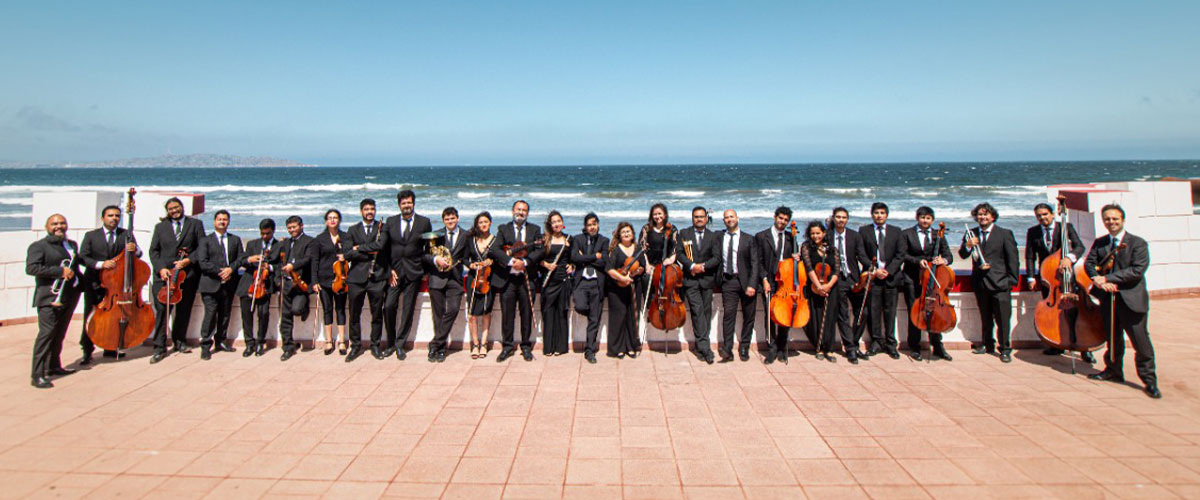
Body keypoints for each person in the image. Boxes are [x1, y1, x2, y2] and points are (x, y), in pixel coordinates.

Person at [1085, 204, 1160, 399]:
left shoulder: (1138, 243)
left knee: (1140, 341)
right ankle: (1113, 371)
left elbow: (1137, 270)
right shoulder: (1100, 243)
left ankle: (1149, 380)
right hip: (1108, 299)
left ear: (1123, 220)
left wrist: (1108, 279)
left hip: (1132, 300)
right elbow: (1089, 264)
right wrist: (1098, 281)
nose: (1111, 222)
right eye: (1107, 219)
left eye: (1115, 219)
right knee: (1112, 338)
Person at [360, 190, 431, 360]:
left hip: (414, 272)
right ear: (399, 205)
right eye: (404, 203)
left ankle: (400, 345)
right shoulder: (390, 222)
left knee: (407, 310)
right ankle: (390, 343)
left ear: (414, 203)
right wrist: (389, 269)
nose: (407, 206)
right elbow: (383, 248)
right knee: (389, 306)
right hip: (395, 273)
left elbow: (428, 248)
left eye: (409, 203)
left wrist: (426, 271)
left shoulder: (424, 222)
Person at [1025, 202, 1094, 363]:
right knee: (1054, 313)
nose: (1042, 218)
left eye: (1045, 214)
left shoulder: (1066, 227)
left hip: (1069, 277)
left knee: (1077, 312)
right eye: (1039, 216)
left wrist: (1069, 258)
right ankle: (1056, 344)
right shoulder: (1033, 232)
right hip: (1048, 279)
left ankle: (1084, 347)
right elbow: (1030, 256)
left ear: (1052, 214)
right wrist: (1030, 277)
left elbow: (1079, 247)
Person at [958, 202, 1020, 363]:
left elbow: (1013, 259)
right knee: (985, 317)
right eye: (979, 214)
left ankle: (1005, 349)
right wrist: (968, 245)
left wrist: (1011, 281)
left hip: (1000, 283)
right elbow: (962, 254)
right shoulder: (971, 233)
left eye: (985, 214)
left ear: (992, 217)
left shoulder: (1005, 233)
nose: (982, 217)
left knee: (1002, 319)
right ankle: (987, 344)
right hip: (980, 282)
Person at [27, 214, 83, 388]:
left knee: (60, 333)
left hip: (69, 295)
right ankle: (38, 374)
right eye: (55, 224)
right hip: (49, 296)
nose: (59, 226)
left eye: (62, 223)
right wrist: (59, 271)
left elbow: (76, 264)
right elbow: (32, 267)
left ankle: (53, 366)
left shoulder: (72, 244)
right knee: (46, 334)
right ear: (47, 227)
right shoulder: (38, 246)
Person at [78, 204, 139, 364]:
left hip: (116, 285)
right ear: (102, 218)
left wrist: (134, 249)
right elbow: (83, 257)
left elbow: (138, 254)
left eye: (117, 216)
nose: (114, 218)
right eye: (110, 215)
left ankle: (110, 348)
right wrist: (100, 264)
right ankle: (87, 350)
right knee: (91, 317)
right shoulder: (91, 236)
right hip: (95, 283)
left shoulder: (126, 234)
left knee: (114, 317)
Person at [149, 197, 206, 363]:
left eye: (177, 207)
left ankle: (179, 341)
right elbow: (154, 251)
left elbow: (201, 248)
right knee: (162, 311)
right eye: (171, 208)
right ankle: (159, 347)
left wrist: (189, 260)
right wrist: (161, 269)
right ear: (167, 211)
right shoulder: (160, 227)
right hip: (164, 277)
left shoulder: (195, 224)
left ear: (182, 207)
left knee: (183, 310)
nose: (175, 210)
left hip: (186, 276)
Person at [899, 207, 953, 361]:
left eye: (928, 218)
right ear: (917, 218)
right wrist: (917, 261)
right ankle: (914, 347)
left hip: (932, 280)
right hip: (912, 279)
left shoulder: (938, 235)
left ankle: (937, 346)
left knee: (934, 311)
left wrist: (943, 260)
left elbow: (949, 255)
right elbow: (902, 254)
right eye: (922, 217)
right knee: (915, 312)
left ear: (932, 220)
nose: (925, 221)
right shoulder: (907, 233)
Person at [490, 200, 542, 362]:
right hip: (508, 279)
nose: (521, 212)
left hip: (527, 278)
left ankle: (526, 346)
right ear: (512, 211)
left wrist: (525, 263)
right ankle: (507, 346)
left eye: (524, 210)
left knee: (526, 313)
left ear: (528, 213)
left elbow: (540, 251)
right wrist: (512, 262)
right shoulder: (503, 229)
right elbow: (495, 250)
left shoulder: (535, 230)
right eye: (518, 209)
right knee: (508, 314)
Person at [193, 210, 243, 360]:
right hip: (210, 284)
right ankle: (205, 346)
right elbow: (203, 262)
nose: (222, 222)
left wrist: (231, 269)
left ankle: (221, 341)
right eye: (219, 219)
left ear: (229, 222)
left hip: (229, 284)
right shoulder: (205, 241)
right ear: (214, 222)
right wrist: (221, 272)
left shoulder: (235, 240)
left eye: (225, 219)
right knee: (210, 314)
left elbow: (241, 258)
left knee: (225, 314)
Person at [859, 202, 906, 359]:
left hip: (891, 278)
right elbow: (861, 253)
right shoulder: (864, 231)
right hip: (873, 277)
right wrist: (874, 270)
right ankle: (876, 342)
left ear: (887, 215)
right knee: (874, 311)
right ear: (871, 214)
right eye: (876, 213)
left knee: (890, 312)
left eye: (882, 213)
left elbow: (901, 254)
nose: (879, 215)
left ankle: (891, 344)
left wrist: (889, 271)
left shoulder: (896, 231)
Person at [345, 199, 389, 361]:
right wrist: (368, 251)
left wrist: (359, 248)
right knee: (354, 314)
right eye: (366, 209)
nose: (369, 211)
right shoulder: (352, 229)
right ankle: (355, 346)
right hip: (356, 278)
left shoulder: (383, 227)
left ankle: (375, 345)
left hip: (377, 277)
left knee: (376, 314)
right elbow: (348, 254)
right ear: (361, 211)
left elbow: (381, 246)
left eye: (372, 209)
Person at [424, 207, 468, 362]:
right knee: (438, 314)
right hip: (437, 278)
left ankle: (434, 343)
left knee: (454, 309)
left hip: (455, 279)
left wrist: (471, 265)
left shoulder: (466, 234)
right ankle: (440, 349)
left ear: (457, 218)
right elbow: (425, 255)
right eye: (447, 219)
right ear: (443, 220)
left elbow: (467, 256)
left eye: (453, 218)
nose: (450, 221)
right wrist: (436, 260)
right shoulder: (436, 235)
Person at [714, 209, 759, 362]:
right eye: (726, 217)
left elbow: (755, 263)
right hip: (728, 281)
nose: (729, 219)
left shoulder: (749, 239)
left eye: (731, 217)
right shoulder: (719, 237)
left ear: (737, 218)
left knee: (749, 316)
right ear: (723, 220)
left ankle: (745, 346)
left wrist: (752, 284)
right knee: (728, 315)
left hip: (747, 282)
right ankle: (727, 349)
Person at [829, 207, 872, 363]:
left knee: (863, 311)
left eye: (844, 217)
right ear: (833, 218)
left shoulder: (855, 236)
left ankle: (853, 343)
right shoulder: (827, 236)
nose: (841, 220)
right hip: (836, 279)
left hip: (853, 278)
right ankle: (851, 349)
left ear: (847, 219)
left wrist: (871, 267)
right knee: (843, 315)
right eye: (838, 217)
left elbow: (862, 255)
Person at [677, 207, 719, 364]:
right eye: (696, 216)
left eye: (702, 216)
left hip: (707, 279)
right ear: (692, 218)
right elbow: (680, 253)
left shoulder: (713, 236)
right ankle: (705, 348)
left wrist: (702, 267)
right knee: (697, 310)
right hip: (691, 280)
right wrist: (691, 266)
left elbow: (717, 257)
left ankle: (700, 346)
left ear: (706, 218)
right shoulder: (684, 233)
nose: (699, 219)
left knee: (706, 313)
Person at [271, 215, 316, 361]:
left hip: (301, 283)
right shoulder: (285, 243)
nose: (292, 230)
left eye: (294, 227)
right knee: (285, 317)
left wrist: (293, 266)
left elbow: (308, 259)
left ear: (301, 226)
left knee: (296, 309)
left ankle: (305, 307)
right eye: (289, 228)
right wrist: (278, 279)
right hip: (286, 284)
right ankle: (288, 346)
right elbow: (277, 261)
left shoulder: (309, 241)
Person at [755, 206, 795, 364]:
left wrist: (796, 257)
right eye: (781, 218)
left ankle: (782, 346)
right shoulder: (761, 236)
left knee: (785, 315)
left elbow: (792, 262)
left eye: (786, 220)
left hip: (785, 283)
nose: (783, 222)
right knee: (770, 316)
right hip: (769, 281)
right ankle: (771, 348)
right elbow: (758, 261)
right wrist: (764, 279)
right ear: (774, 217)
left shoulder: (790, 238)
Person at [570, 213, 609, 364]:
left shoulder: (604, 241)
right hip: (581, 282)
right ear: (585, 227)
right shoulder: (577, 239)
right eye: (589, 225)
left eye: (594, 224)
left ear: (598, 225)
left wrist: (585, 258)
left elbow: (604, 261)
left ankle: (590, 350)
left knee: (595, 319)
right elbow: (574, 258)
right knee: (579, 306)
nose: (592, 227)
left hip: (597, 283)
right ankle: (591, 315)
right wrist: (594, 257)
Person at [236, 218, 277, 357]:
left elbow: (280, 266)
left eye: (268, 233)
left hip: (265, 285)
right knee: (247, 315)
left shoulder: (279, 245)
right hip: (249, 284)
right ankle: (249, 343)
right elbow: (241, 260)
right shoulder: (252, 244)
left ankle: (260, 342)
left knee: (263, 314)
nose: (265, 236)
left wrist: (270, 267)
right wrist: (250, 260)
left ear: (273, 231)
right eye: (262, 233)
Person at [533, 211, 572, 356]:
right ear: (550, 225)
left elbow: (573, 259)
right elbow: (536, 259)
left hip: (563, 280)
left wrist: (572, 266)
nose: (556, 224)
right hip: (548, 280)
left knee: (562, 312)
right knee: (548, 312)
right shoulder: (544, 240)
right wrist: (545, 265)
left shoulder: (569, 239)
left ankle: (561, 347)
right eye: (554, 222)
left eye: (558, 221)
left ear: (562, 223)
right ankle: (548, 347)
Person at [312, 209, 351, 355]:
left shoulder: (346, 237)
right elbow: (315, 260)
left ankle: (342, 341)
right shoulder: (319, 239)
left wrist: (345, 256)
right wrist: (314, 281)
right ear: (326, 221)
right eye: (330, 218)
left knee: (340, 309)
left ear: (339, 220)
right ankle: (328, 340)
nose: (332, 220)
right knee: (327, 308)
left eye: (335, 218)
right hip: (324, 278)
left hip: (341, 279)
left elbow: (351, 254)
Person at [800, 220, 840, 362]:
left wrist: (828, 285)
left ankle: (829, 349)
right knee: (816, 317)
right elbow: (809, 267)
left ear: (824, 233)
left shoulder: (832, 249)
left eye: (818, 233)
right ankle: (819, 348)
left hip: (830, 287)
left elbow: (836, 270)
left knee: (829, 317)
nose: (815, 236)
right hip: (813, 287)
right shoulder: (806, 247)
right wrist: (818, 286)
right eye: (812, 234)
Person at [605, 222, 644, 358]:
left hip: (634, 285)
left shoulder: (638, 249)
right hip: (617, 287)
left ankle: (631, 346)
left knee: (633, 316)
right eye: (623, 232)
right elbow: (609, 269)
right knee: (618, 317)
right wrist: (622, 279)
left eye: (628, 231)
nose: (626, 234)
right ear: (619, 235)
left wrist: (636, 272)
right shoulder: (615, 250)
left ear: (633, 234)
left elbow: (643, 267)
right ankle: (618, 348)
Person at [464, 212, 498, 359]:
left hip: (488, 278)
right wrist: (471, 265)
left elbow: (501, 259)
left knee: (486, 312)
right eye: (480, 222)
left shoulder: (496, 240)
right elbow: (463, 258)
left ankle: (484, 343)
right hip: (473, 278)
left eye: (486, 222)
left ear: (490, 223)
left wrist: (492, 261)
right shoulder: (470, 240)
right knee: (472, 313)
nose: (483, 224)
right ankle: (475, 344)